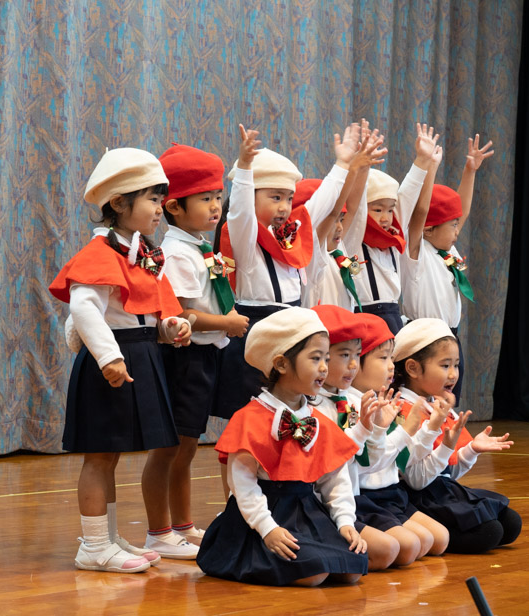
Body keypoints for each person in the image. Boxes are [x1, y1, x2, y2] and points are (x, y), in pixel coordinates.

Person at [49, 148, 192, 572]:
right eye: (152, 198)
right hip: (112, 359)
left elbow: (143, 310)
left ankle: (107, 539)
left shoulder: (141, 251)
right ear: (118, 203)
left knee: (112, 452)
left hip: (141, 352)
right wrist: (109, 357)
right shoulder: (99, 253)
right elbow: (85, 308)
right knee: (100, 455)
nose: (159, 209)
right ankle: (93, 545)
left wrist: (170, 329)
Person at [196, 307, 369, 586]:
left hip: (306, 512)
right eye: (315, 358)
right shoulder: (249, 418)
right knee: (313, 573)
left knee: (353, 568)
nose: (325, 367)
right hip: (263, 516)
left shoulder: (318, 420)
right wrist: (268, 529)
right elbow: (242, 485)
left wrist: (345, 522)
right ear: (281, 364)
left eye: (326, 358)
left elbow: (334, 480)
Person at [137, 143, 248, 559]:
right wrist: (229, 323)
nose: (216, 206)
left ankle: (181, 526)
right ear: (174, 207)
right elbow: (183, 314)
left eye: (218, 196)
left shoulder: (201, 247)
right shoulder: (180, 253)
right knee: (169, 448)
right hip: (185, 359)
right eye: (205, 198)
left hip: (206, 358)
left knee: (186, 448)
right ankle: (158, 532)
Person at [211, 123, 359, 419]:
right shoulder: (247, 241)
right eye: (275, 197)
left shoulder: (293, 237)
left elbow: (319, 205)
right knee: (249, 419)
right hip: (257, 329)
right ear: (252, 195)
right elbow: (240, 213)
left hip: (293, 331)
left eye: (288, 199)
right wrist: (244, 169)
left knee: (287, 416)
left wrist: (342, 164)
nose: (284, 206)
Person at [392, 318, 522, 553]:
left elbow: (448, 472)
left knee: (511, 523)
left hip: (442, 489)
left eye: (456, 365)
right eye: (445, 365)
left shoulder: (438, 405)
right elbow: (417, 480)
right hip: (419, 496)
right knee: (489, 532)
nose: (453, 374)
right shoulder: (402, 411)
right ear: (412, 368)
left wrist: (471, 451)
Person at [311, 305, 423, 568]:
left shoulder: (346, 403)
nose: (353, 365)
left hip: (349, 501)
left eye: (357, 355)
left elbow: (367, 461)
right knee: (390, 551)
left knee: (416, 545)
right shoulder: (319, 407)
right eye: (345, 355)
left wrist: (382, 430)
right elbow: (336, 471)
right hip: (334, 503)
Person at [401, 135, 493, 405]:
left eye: (456, 225)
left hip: (450, 337)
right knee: (426, 406)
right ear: (429, 229)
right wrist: (430, 167)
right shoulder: (417, 252)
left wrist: (470, 171)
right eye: (451, 226)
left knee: (450, 405)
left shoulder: (447, 250)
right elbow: (419, 213)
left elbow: (461, 211)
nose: (457, 230)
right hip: (424, 340)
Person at [343, 123, 440, 333]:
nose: (386, 218)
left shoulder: (393, 240)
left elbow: (407, 196)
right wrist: (361, 168)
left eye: (389, 210)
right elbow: (355, 205)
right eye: (377, 210)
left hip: (393, 319)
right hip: (364, 320)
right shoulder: (353, 239)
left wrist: (422, 160)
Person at [300, 124, 386, 309]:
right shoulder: (312, 256)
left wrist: (363, 167)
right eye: (334, 220)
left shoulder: (338, 252)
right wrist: (351, 167)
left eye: (342, 219)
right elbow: (331, 213)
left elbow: (352, 209)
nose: (340, 226)